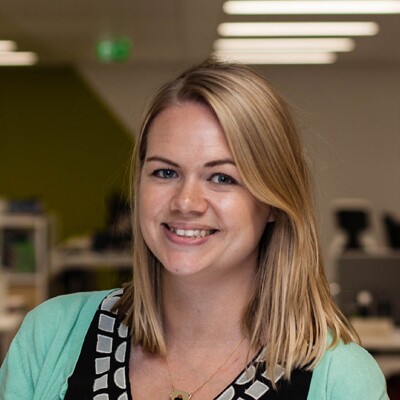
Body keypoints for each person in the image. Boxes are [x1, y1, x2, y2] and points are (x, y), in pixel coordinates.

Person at [0, 59, 388, 400]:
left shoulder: (340, 379)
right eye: (165, 172)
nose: (186, 202)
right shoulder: (51, 335)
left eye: (222, 177)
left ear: (273, 202)